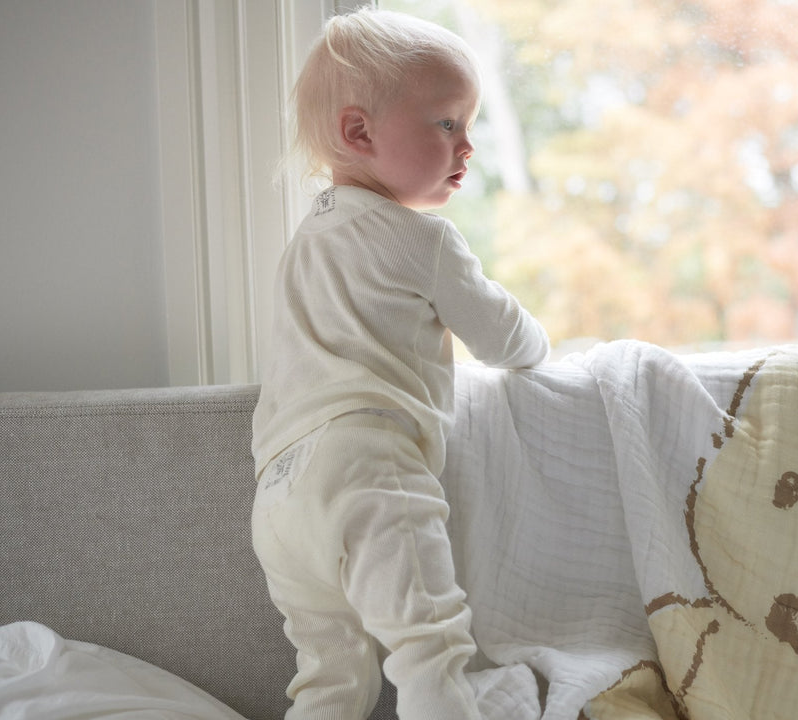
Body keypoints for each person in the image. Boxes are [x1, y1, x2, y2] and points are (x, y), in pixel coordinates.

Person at [250, 8, 549, 720]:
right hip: (368, 470)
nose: (467, 146)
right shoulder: (423, 241)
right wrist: (541, 343)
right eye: (448, 123)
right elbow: (508, 340)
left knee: (329, 677)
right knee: (428, 649)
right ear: (358, 133)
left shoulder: (310, 238)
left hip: (278, 496)